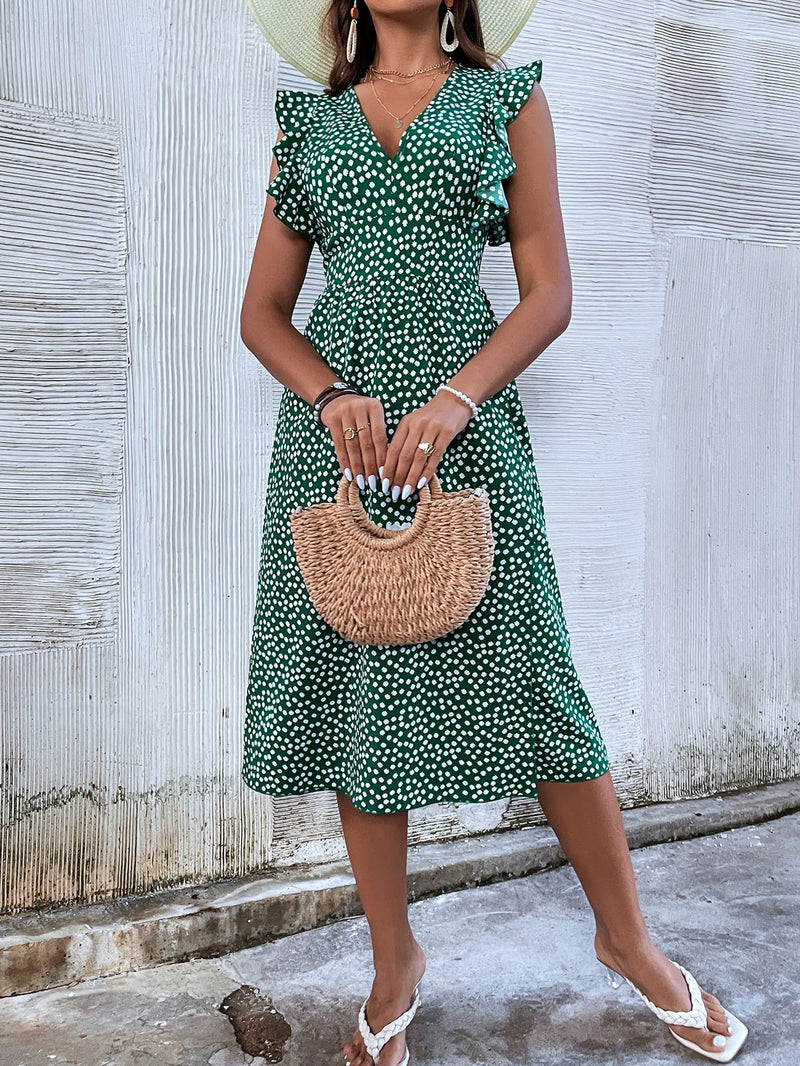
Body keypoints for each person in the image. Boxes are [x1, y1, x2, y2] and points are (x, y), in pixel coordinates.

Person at [239, 2, 748, 1064]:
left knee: (535, 679)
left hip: (464, 430)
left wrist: (457, 398)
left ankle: (626, 938)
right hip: (338, 447)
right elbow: (263, 313)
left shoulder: (500, 101)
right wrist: (329, 393)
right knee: (352, 691)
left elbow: (547, 291)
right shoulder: (308, 128)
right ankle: (395, 961)